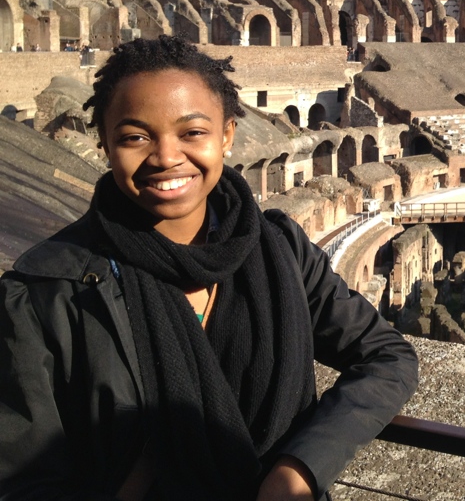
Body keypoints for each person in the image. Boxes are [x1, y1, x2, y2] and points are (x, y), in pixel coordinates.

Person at [0, 36, 418, 500]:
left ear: (226, 135)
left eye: (192, 132)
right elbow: (24, 482)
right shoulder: (46, 293)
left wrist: (299, 468)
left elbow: (386, 356)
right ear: (104, 143)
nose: (165, 156)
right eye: (135, 137)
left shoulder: (281, 249)